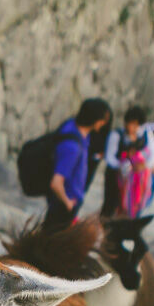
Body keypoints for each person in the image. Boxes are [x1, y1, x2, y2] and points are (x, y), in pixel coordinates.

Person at [44, 97, 113, 230]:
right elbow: (56, 183)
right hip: (63, 205)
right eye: (103, 119)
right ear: (95, 119)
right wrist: (68, 203)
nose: (104, 123)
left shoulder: (72, 127)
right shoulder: (73, 148)